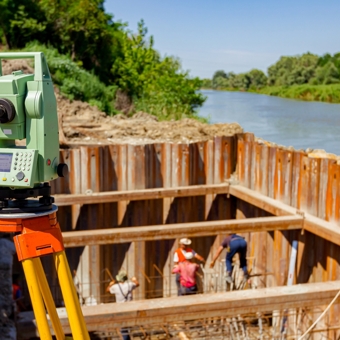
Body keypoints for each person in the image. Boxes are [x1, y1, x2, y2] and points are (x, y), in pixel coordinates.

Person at [106, 270, 139, 340]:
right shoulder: (130, 285)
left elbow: (107, 290)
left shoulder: (115, 287)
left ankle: (126, 338)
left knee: (123, 327)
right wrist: (134, 280)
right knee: (127, 326)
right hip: (129, 308)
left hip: (120, 309)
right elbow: (137, 284)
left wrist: (110, 284)